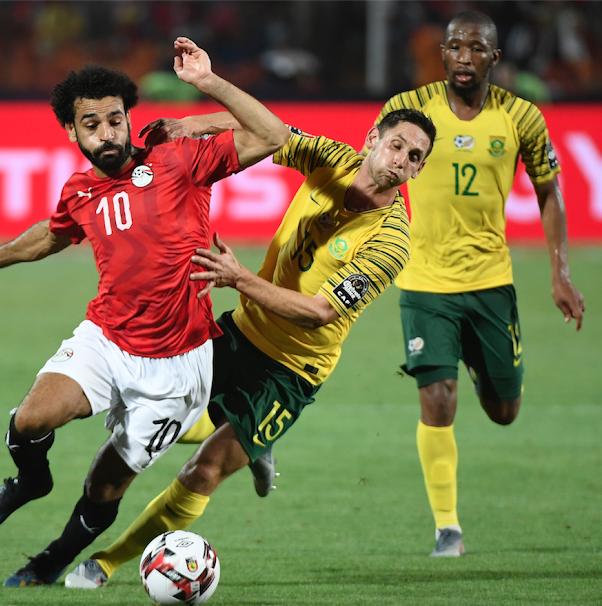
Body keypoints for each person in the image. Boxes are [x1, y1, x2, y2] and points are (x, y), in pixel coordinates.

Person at [0, 37, 289, 586]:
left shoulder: (178, 158)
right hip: (106, 339)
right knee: (28, 421)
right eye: (91, 124)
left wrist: (203, 97)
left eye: (114, 120)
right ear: (72, 132)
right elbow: (52, 236)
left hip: (178, 365)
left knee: (104, 487)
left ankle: (51, 561)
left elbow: (273, 135)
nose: (106, 134)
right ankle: (29, 483)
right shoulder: (80, 189)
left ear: (130, 119)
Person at [56, 107, 437, 589]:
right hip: (237, 334)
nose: (401, 159)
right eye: (397, 145)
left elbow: (319, 311)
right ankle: (257, 447)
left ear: (420, 169)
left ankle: (106, 562)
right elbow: (267, 130)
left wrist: (240, 279)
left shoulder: (392, 240)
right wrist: (194, 125)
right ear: (372, 139)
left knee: (204, 470)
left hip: (290, 371)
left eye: (414, 156)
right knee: (160, 427)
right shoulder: (331, 159)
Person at [373, 11, 585, 557]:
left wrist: (560, 272)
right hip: (424, 283)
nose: (464, 57)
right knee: (437, 400)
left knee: (503, 412)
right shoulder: (410, 111)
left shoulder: (522, 118)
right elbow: (371, 173)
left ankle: (473, 356)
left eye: (476, 48)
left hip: (492, 282)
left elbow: (549, 191)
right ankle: (448, 527)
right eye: (455, 47)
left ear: (494, 57)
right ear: (442, 53)